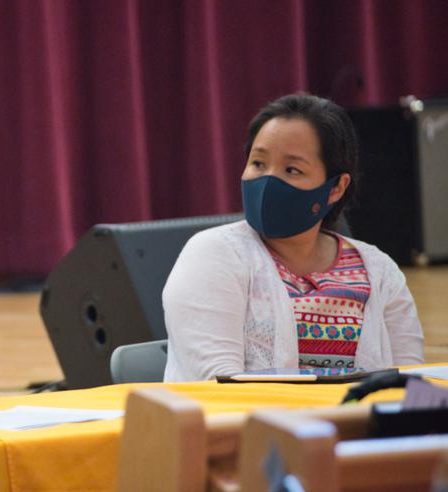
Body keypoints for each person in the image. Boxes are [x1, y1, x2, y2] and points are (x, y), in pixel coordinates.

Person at [162, 93, 424, 382]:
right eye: (258, 163)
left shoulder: (380, 271)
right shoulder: (213, 255)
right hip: (246, 425)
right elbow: (218, 387)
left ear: (336, 187)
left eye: (292, 170)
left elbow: (409, 383)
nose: (268, 180)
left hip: (355, 426)